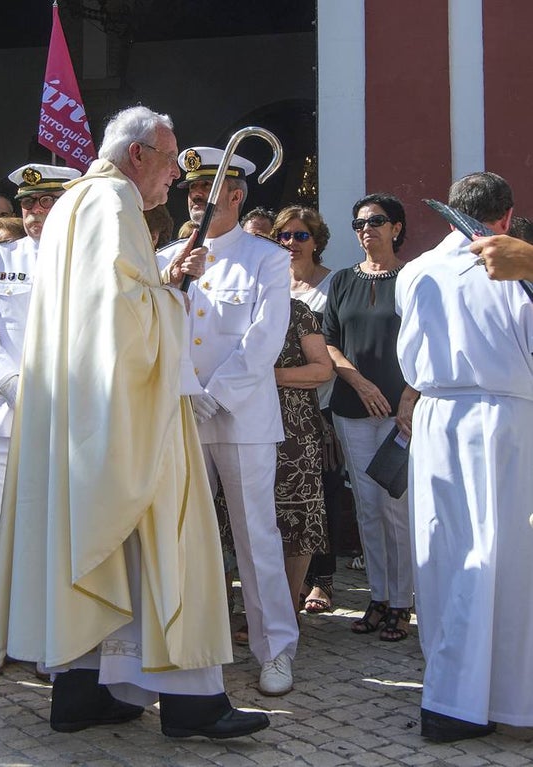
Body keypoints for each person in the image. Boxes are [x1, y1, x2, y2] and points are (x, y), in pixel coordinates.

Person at [0, 105, 268, 738]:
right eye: (169, 162)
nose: (174, 176)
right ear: (138, 154)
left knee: (104, 547)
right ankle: (193, 703)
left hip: (83, 411)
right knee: (168, 539)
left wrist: (161, 280)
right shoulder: (113, 202)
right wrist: (172, 298)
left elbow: (99, 306)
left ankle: (85, 691)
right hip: (128, 411)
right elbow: (121, 319)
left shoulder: (72, 204)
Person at [396, 172, 533, 742]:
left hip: (436, 416)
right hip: (504, 420)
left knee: (446, 555)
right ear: (507, 217)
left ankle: (452, 696)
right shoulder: (515, 271)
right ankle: (494, 700)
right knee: (502, 559)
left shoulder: (415, 269)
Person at [158, 146, 297, 696]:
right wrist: (172, 282)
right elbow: (154, 331)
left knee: (255, 535)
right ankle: (189, 643)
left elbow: (265, 337)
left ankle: (275, 648)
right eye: (192, 191)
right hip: (180, 413)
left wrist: (216, 393)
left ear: (235, 195)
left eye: (208, 191)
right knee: (183, 533)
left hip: (241, 417)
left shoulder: (266, 258)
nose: (198, 199)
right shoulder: (169, 257)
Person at [0, 162, 80, 679]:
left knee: (55, 532)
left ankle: (52, 637)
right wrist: (10, 384)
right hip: (0, 416)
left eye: (47, 201)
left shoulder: (86, 262)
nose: (35, 212)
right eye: (29, 202)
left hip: (61, 418)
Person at [323, 193, 417, 643]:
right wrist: (359, 383)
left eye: (377, 221)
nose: (367, 230)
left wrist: (409, 398)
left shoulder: (413, 278)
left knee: (396, 508)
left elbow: (428, 341)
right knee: (367, 507)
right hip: (353, 408)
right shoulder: (342, 281)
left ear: (396, 227)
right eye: (359, 223)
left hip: (402, 412)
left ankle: (402, 602)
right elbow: (329, 342)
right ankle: (378, 598)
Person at [273, 206, 343, 614]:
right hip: (265, 412)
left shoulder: (331, 285)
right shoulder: (267, 282)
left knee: (316, 499)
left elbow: (328, 356)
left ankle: (320, 581)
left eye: (300, 236)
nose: (290, 243)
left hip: (317, 407)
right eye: (284, 236)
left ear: (316, 241)